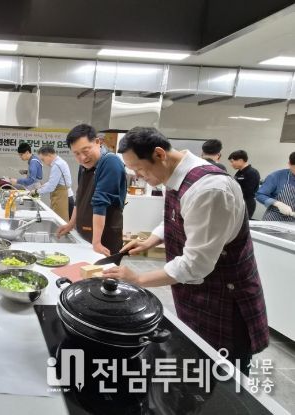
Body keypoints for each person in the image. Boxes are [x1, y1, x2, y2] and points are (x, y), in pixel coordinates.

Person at [105, 127, 269, 372]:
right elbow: (178, 216)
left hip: (225, 301)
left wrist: (139, 279)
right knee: (198, 365)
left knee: (224, 376)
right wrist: (151, 240)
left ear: (159, 154)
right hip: (196, 294)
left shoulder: (209, 190)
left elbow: (196, 264)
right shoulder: (174, 175)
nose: (138, 176)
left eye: (139, 169)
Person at [57, 124, 127, 255]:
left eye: (86, 151)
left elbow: (100, 203)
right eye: (77, 154)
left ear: (97, 142)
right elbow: (80, 197)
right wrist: (71, 224)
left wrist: (97, 242)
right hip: (86, 237)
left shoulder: (110, 162)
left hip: (103, 239)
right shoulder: (84, 165)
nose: (82, 158)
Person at [33, 146, 74, 221]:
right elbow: (53, 182)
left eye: (43, 159)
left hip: (64, 199)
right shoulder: (60, 162)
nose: (43, 162)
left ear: (49, 155)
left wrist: (36, 191)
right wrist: (43, 186)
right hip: (66, 197)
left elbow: (51, 187)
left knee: (60, 224)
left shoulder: (57, 165)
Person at [256, 151, 295, 222]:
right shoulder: (276, 176)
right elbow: (260, 195)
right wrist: (277, 203)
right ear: (289, 164)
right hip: (274, 219)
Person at [228, 150, 261, 218]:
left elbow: (248, 191)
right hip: (238, 202)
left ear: (240, 160)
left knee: (243, 223)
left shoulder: (252, 172)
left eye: (232, 161)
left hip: (247, 203)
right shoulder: (239, 172)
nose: (231, 164)